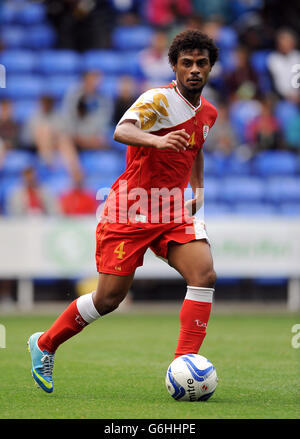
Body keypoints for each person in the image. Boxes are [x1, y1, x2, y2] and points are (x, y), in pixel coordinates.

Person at [28, 29, 219, 394]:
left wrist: (198, 188)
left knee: (204, 273)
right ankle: (45, 343)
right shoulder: (157, 101)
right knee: (108, 299)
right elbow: (122, 129)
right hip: (130, 209)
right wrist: (158, 139)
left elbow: (198, 146)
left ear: (210, 68)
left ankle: (184, 363)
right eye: (187, 63)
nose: (194, 69)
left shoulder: (208, 112)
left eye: (202, 63)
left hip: (172, 209)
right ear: (175, 67)